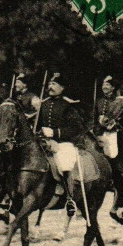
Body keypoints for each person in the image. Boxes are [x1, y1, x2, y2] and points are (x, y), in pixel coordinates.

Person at [37, 72, 87, 215]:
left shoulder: (68, 105)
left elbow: (75, 128)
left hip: (63, 143)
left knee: (64, 163)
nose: (50, 87)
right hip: (44, 142)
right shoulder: (44, 104)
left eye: (54, 84)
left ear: (62, 87)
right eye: (49, 84)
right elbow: (36, 124)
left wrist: (54, 133)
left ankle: (69, 198)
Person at [94, 75, 123, 159]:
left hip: (114, 131)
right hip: (100, 131)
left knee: (112, 154)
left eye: (107, 85)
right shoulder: (99, 101)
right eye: (103, 85)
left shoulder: (119, 101)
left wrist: (115, 123)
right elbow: (94, 116)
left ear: (113, 87)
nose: (104, 87)